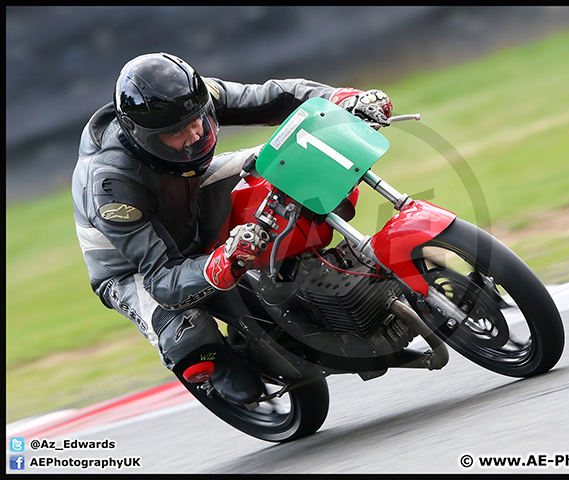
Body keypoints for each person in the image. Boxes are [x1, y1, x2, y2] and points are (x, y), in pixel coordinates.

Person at [72, 52, 393, 405]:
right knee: (190, 337)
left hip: (189, 199)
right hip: (134, 268)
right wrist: (223, 261)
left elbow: (275, 97)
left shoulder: (194, 98)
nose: (195, 133)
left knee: (291, 156)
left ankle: (331, 265)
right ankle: (218, 361)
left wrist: (341, 100)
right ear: (144, 137)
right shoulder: (110, 187)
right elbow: (161, 279)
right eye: (177, 132)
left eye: (196, 120)